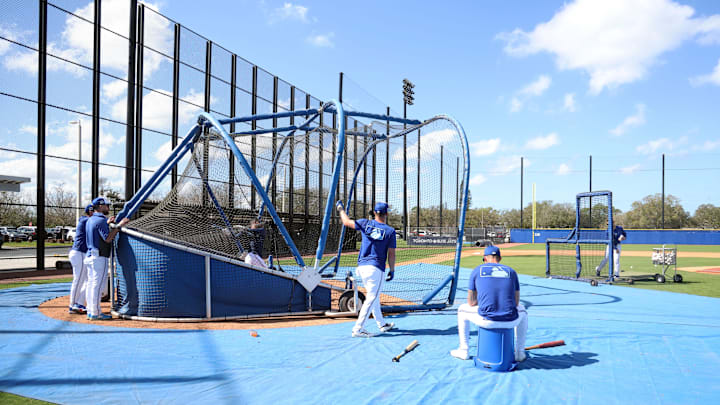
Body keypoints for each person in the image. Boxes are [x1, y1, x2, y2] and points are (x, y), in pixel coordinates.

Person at [451, 246, 528, 362]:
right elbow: (516, 302)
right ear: (500, 258)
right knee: (523, 311)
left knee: (462, 310)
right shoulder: (511, 272)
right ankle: (519, 352)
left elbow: (471, 303)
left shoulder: (477, 270)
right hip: (510, 321)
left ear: (485, 259)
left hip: (486, 321)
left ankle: (464, 350)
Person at [337, 201, 396, 337]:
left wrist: (340, 209)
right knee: (371, 297)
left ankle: (382, 324)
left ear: (374, 212)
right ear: (386, 214)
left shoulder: (365, 223)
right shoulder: (390, 231)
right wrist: (392, 270)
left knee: (373, 296)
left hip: (362, 267)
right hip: (376, 268)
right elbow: (391, 254)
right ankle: (358, 329)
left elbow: (346, 222)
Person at [84, 197, 130, 321]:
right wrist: (119, 226)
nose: (108, 208)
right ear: (100, 206)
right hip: (99, 256)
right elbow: (108, 238)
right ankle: (95, 313)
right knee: (97, 286)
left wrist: (108, 223)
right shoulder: (100, 221)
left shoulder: (91, 219)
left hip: (90, 255)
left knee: (91, 285)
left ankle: (91, 311)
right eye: (106, 206)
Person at [67, 204, 94, 314]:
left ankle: (79, 303)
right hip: (79, 253)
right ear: (90, 212)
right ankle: (72, 305)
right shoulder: (85, 220)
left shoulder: (88, 220)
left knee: (88, 280)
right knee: (78, 280)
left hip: (82, 253)